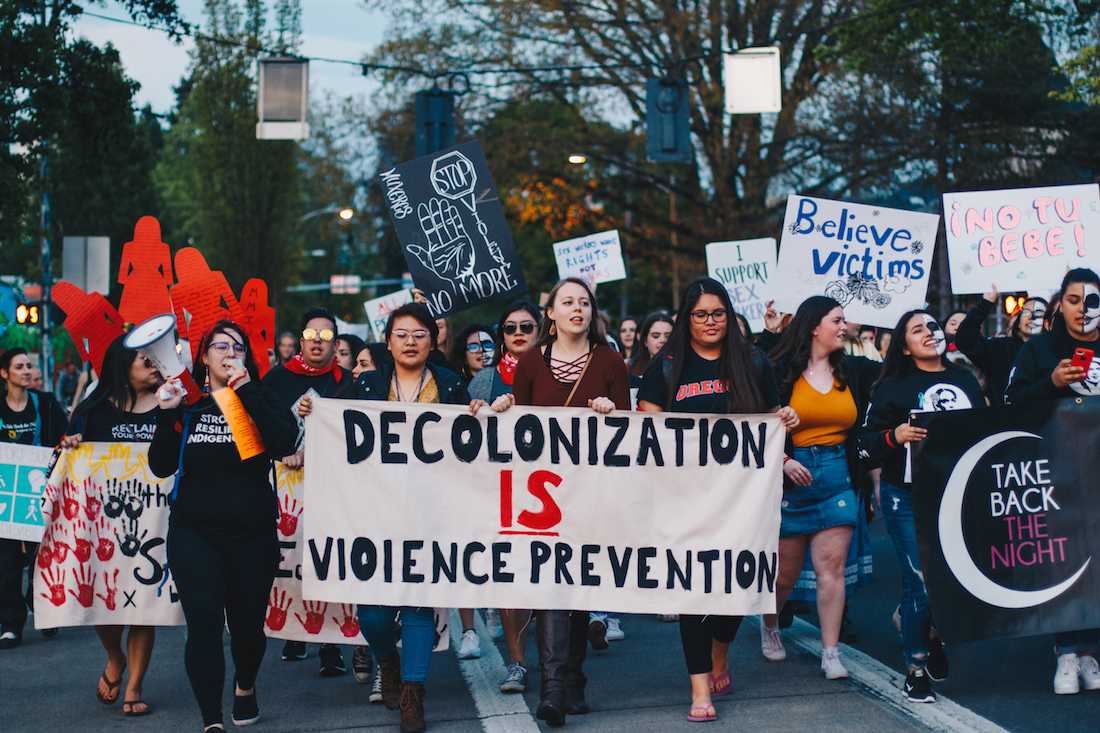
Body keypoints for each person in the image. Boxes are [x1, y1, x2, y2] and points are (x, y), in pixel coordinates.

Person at [635, 277, 797, 723]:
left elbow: (770, 421)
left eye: (719, 313)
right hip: (685, 501)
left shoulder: (754, 363)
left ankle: (721, 648)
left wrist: (784, 419)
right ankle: (699, 688)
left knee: (736, 589)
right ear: (686, 320)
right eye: (701, 314)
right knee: (693, 591)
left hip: (741, 502)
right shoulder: (666, 368)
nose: (711, 322)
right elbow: (647, 430)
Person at [148, 320, 298, 731]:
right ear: (203, 357)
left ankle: (245, 685)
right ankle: (211, 717)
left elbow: (286, 443)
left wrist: (246, 390)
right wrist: (166, 415)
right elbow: (160, 465)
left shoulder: (258, 397)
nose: (230, 352)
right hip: (194, 533)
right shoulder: (188, 403)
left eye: (238, 347)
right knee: (205, 624)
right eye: (221, 346)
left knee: (248, 627)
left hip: (252, 533)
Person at [505, 277, 631, 726]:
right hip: (543, 497)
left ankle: (573, 680)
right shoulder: (530, 364)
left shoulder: (611, 361)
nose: (577, 308)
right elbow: (516, 431)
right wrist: (500, 411)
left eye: (584, 302)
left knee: (578, 585)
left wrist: (612, 414)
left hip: (593, 493)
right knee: (552, 584)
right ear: (551, 314)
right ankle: (554, 688)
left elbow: (631, 432)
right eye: (568, 302)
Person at [343, 303, 472, 733]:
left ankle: (413, 693)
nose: (411, 341)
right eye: (402, 334)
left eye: (419, 334)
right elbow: (337, 432)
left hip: (429, 511)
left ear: (431, 341)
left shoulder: (452, 386)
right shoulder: (365, 386)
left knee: (418, 602)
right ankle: (385, 657)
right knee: (374, 613)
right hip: (375, 512)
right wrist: (312, 415)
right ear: (388, 341)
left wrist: (485, 412)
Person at [859, 310, 984, 704]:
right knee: (922, 581)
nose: (930, 333)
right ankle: (915, 668)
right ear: (904, 344)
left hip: (958, 494)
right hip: (907, 496)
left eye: (933, 326)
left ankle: (927, 634)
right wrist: (894, 436)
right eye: (918, 329)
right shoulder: (893, 386)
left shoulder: (964, 379)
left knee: (951, 580)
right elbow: (864, 445)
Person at [762, 296, 880, 679]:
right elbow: (759, 420)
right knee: (784, 574)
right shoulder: (780, 371)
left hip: (836, 475)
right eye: (837, 320)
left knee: (833, 569)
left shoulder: (854, 372)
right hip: (791, 477)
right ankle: (770, 624)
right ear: (814, 326)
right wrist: (783, 460)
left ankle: (831, 653)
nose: (844, 327)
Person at [1005, 268, 1100, 695]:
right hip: (1057, 468)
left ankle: (1088, 653)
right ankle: (1066, 651)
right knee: (1066, 560)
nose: (1084, 309)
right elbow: (1010, 404)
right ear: (1060, 303)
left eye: (1092, 300)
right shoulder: (1040, 350)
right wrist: (1051, 383)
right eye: (1075, 300)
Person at [61, 338, 162, 715]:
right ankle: (114, 655)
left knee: (143, 607)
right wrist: (71, 444)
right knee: (106, 606)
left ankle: (134, 688)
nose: (153, 365)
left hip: (153, 525)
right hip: (103, 528)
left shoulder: (168, 407)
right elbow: (71, 458)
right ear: (122, 366)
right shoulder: (94, 410)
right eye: (144, 360)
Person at [261, 308, 355, 676]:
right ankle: (294, 632)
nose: (318, 341)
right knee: (290, 562)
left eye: (327, 336)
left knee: (328, 560)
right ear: (301, 340)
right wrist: (282, 453)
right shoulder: (276, 380)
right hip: (286, 491)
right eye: (312, 334)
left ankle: (332, 644)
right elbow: (261, 429)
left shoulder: (348, 382)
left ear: (336, 343)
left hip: (333, 489)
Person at [467, 300, 540, 692]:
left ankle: (555, 660)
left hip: (549, 492)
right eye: (509, 327)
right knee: (510, 582)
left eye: (526, 327)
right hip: (501, 489)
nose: (517, 333)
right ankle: (517, 662)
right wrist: (474, 411)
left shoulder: (557, 372)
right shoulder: (483, 381)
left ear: (540, 331)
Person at [0, 348, 67, 650]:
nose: (26, 370)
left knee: (43, 557)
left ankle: (40, 606)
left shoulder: (48, 405)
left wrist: (68, 441)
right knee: (7, 562)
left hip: (41, 492)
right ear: (5, 374)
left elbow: (65, 437)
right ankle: (11, 624)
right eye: (19, 366)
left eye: (29, 365)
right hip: (5, 495)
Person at [955, 288, 1047, 406]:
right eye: (1026, 312)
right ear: (1018, 323)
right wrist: (985, 304)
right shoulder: (999, 348)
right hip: (1005, 420)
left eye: (1039, 313)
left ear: (1048, 322)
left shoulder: (1054, 350)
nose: (1031, 317)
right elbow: (965, 340)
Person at [627, 312, 674, 384]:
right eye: (656, 336)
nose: (663, 340)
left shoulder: (685, 368)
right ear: (645, 341)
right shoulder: (632, 369)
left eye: (668, 336)